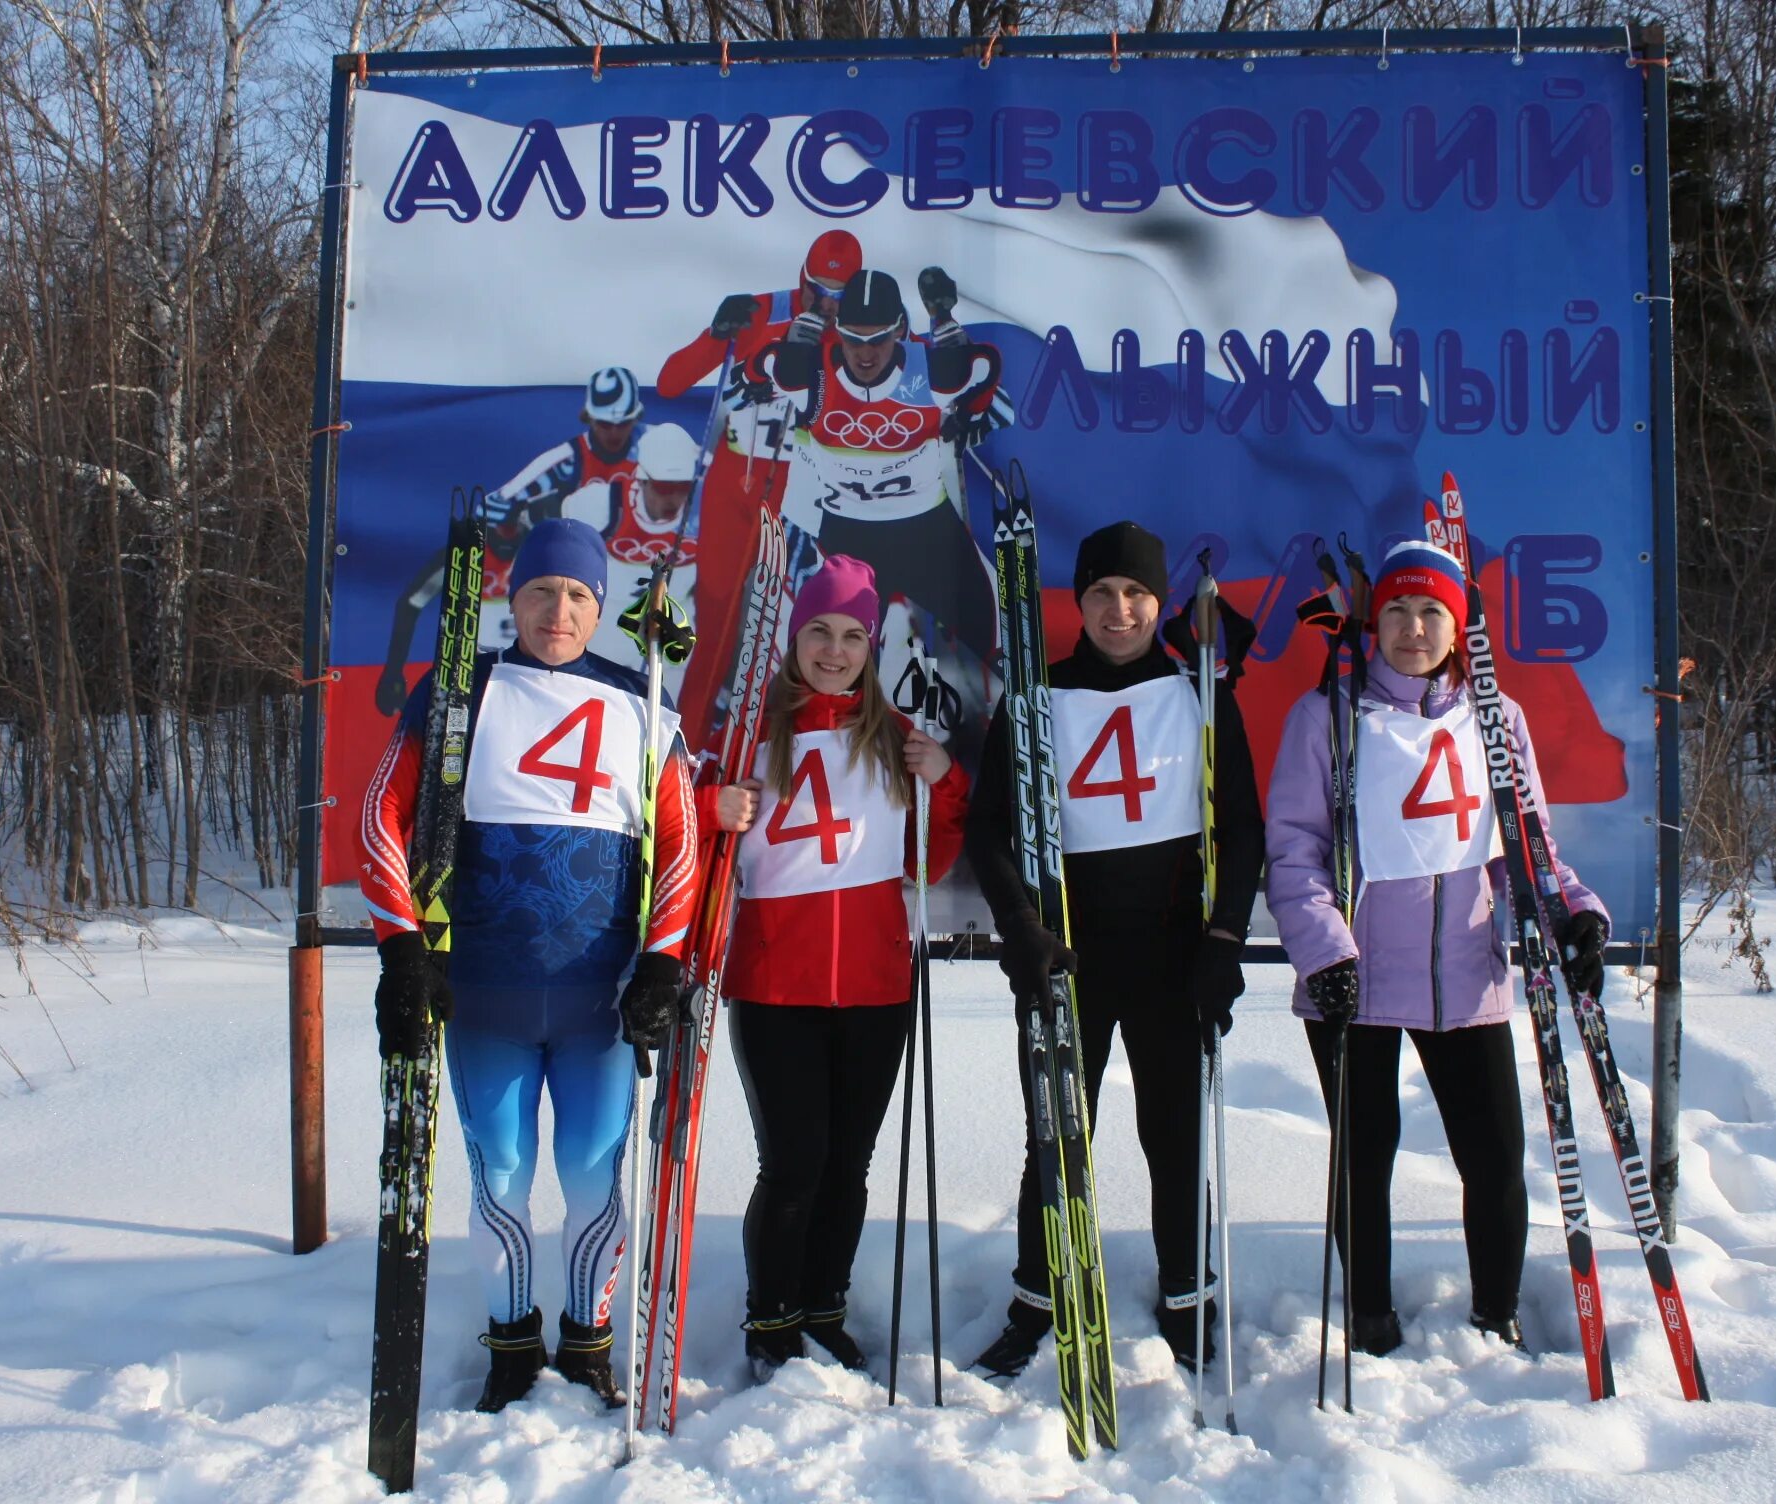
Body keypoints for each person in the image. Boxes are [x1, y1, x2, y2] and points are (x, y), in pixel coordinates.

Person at [359, 517, 700, 1412]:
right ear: (512, 599)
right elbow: (375, 818)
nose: (559, 610)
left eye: (579, 596)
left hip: (599, 1000)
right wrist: (402, 949)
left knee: (593, 1172)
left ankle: (588, 1340)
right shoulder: (460, 692)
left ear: (599, 610)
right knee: (501, 1172)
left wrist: (663, 967)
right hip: (487, 994)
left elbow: (682, 849)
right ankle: (513, 1343)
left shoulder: (644, 699)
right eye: (543, 592)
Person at [1263, 539, 1610, 1356]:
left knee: (1492, 1155)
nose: (1412, 629)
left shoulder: (1497, 719)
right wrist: (1325, 953)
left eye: (1431, 613)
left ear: (1458, 628)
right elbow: (1295, 852)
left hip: (1467, 966)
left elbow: (1527, 849)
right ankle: (1372, 1316)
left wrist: (1573, 916)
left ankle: (1497, 1313)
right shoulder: (1327, 717)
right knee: (1366, 1156)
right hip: (1355, 973)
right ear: (1371, 620)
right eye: (1396, 611)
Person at [964, 521, 1264, 1380]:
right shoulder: (1037, 697)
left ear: (1159, 602)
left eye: (1135, 594)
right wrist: (1021, 928)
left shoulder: (1200, 690)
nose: (1119, 610)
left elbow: (1242, 828)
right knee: (1057, 1133)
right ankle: (1039, 1295)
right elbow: (988, 828)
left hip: (1173, 954)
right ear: (1079, 601)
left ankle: (1185, 1293)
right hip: (1065, 952)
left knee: (1174, 1132)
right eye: (1101, 593)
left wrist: (1225, 939)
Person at [700, 554, 969, 1382]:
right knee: (792, 1164)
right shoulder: (747, 731)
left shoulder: (898, 737)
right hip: (777, 983)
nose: (835, 648)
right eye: (819, 629)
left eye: (853, 634)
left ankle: (825, 1308)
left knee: (847, 1165)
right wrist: (714, 805)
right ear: (793, 635)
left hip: (876, 987)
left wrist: (946, 783)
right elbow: (688, 839)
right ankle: (770, 1319)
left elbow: (929, 864)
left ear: (872, 645)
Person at [742, 267, 1005, 728]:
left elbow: (983, 369)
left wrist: (946, 326)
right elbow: (755, 369)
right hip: (850, 537)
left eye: (879, 339)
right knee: (838, 660)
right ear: (837, 332)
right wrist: (798, 338)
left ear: (900, 331)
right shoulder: (809, 374)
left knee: (977, 637)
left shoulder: (933, 371)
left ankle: (980, 744)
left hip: (928, 532)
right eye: (852, 338)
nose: (865, 353)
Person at [658, 231, 862, 749]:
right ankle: (687, 748)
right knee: (718, 626)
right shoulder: (762, 313)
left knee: (809, 630)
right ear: (802, 279)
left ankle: (797, 748)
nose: (828, 305)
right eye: (819, 290)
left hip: (806, 497)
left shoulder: (864, 331)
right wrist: (716, 332)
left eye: (841, 294)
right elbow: (670, 383)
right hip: (737, 486)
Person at [375, 366, 647, 713]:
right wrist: (393, 672)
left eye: (622, 423)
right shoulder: (470, 556)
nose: (613, 433)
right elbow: (411, 602)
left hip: (557, 675)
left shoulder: (547, 563)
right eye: (604, 423)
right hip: (486, 685)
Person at [561, 423, 702, 690]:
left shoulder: (704, 514)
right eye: (663, 488)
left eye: (682, 487)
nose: (674, 498)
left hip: (671, 626)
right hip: (610, 623)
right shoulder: (602, 503)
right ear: (642, 479)